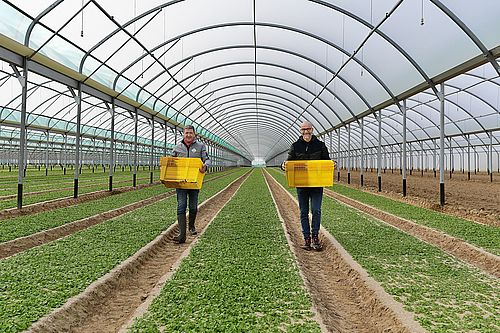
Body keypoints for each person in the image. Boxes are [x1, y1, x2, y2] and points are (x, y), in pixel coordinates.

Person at [282, 121, 331, 251]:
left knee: (316, 210)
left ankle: (315, 236)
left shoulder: (320, 145)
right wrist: (284, 165)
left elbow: (327, 161)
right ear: (300, 131)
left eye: (308, 129)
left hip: (316, 184)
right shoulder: (295, 146)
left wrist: (332, 164)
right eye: (303, 129)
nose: (305, 132)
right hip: (302, 185)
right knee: (304, 212)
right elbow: (289, 162)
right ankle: (307, 238)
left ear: (312, 129)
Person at [172, 125, 211, 243]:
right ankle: (181, 234)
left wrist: (206, 166)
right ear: (183, 134)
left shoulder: (200, 146)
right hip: (181, 183)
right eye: (186, 133)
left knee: (193, 207)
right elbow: (171, 160)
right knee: (181, 206)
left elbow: (207, 159)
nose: (188, 135)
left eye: (190, 133)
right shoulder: (177, 147)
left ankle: (191, 226)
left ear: (194, 134)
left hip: (194, 182)